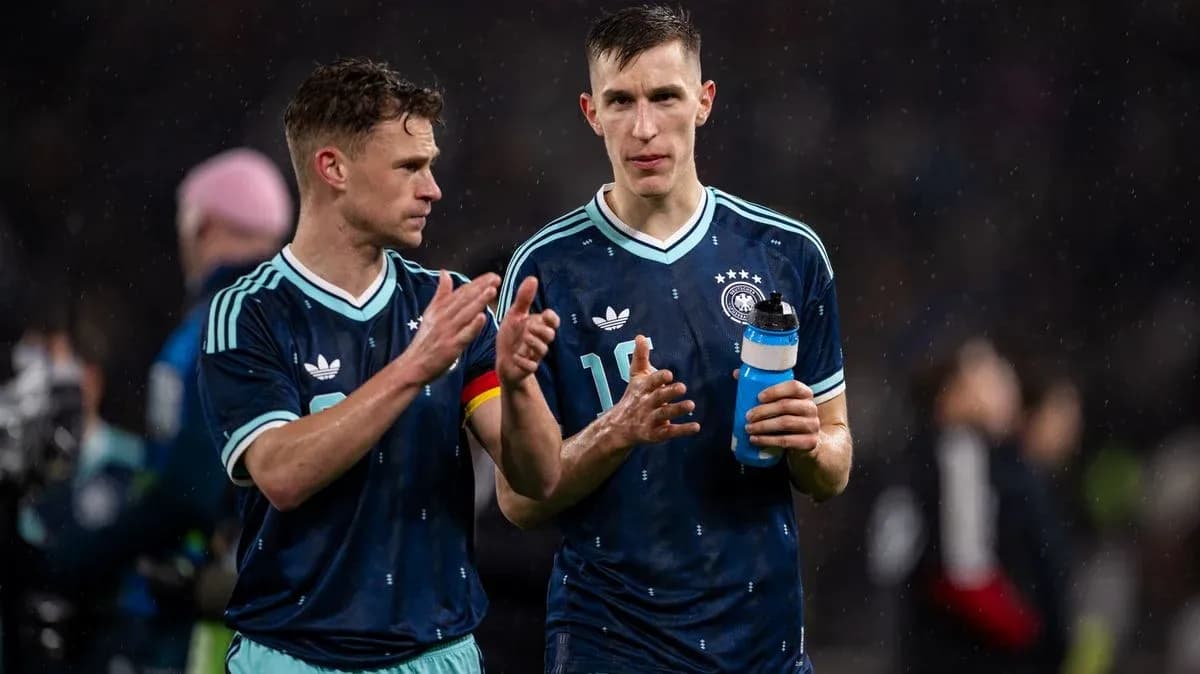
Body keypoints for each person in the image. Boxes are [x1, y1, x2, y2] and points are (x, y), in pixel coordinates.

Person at [495, 6, 853, 673]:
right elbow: (518, 501)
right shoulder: (546, 271)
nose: (645, 127)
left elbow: (834, 466)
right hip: (610, 645)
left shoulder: (787, 253)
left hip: (762, 648)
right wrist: (615, 431)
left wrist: (808, 441)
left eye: (665, 96)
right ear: (589, 113)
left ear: (705, 100)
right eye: (620, 101)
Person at [197, 57, 563, 674]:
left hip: (437, 655)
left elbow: (537, 477)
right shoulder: (250, 311)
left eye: (431, 167)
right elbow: (281, 474)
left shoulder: (446, 305)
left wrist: (520, 385)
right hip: (292, 656)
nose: (432, 189)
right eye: (409, 167)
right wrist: (414, 367)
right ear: (333, 168)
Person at [896, 337, 1068, 674]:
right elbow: (965, 574)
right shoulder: (958, 450)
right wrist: (1030, 633)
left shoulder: (968, 455)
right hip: (968, 655)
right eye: (985, 373)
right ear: (951, 394)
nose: (1004, 381)